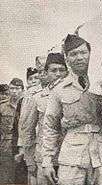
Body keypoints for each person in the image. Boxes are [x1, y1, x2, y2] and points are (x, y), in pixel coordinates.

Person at [42, 34, 102, 185]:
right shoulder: (60, 89)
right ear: (66, 58)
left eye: (83, 52)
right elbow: (50, 126)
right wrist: (47, 161)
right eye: (73, 54)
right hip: (72, 156)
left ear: (90, 54)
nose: (79, 58)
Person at [21, 52, 68, 185]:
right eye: (53, 70)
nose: (58, 74)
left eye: (62, 70)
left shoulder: (73, 96)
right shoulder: (36, 97)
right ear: (46, 73)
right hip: (43, 159)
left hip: (68, 157)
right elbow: (27, 131)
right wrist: (29, 161)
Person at [18, 57, 48, 185]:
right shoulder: (32, 95)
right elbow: (26, 128)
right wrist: (29, 159)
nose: (43, 75)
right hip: (37, 151)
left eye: (44, 71)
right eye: (40, 72)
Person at [0, 78, 24, 184]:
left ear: (22, 90)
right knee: (5, 177)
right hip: (6, 146)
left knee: (21, 177)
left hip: (23, 144)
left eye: (17, 88)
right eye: (12, 88)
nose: (14, 91)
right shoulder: (2, 107)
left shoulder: (27, 105)